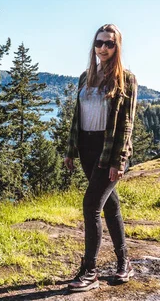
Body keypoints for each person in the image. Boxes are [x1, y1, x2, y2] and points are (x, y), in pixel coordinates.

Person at [64, 23, 137, 292]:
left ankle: (90, 271)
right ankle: (124, 263)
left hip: (109, 151)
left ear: (117, 47)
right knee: (110, 206)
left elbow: (127, 123)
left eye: (109, 43)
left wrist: (120, 161)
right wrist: (71, 151)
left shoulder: (126, 79)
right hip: (87, 148)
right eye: (99, 43)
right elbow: (77, 118)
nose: (103, 48)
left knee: (91, 204)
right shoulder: (86, 77)